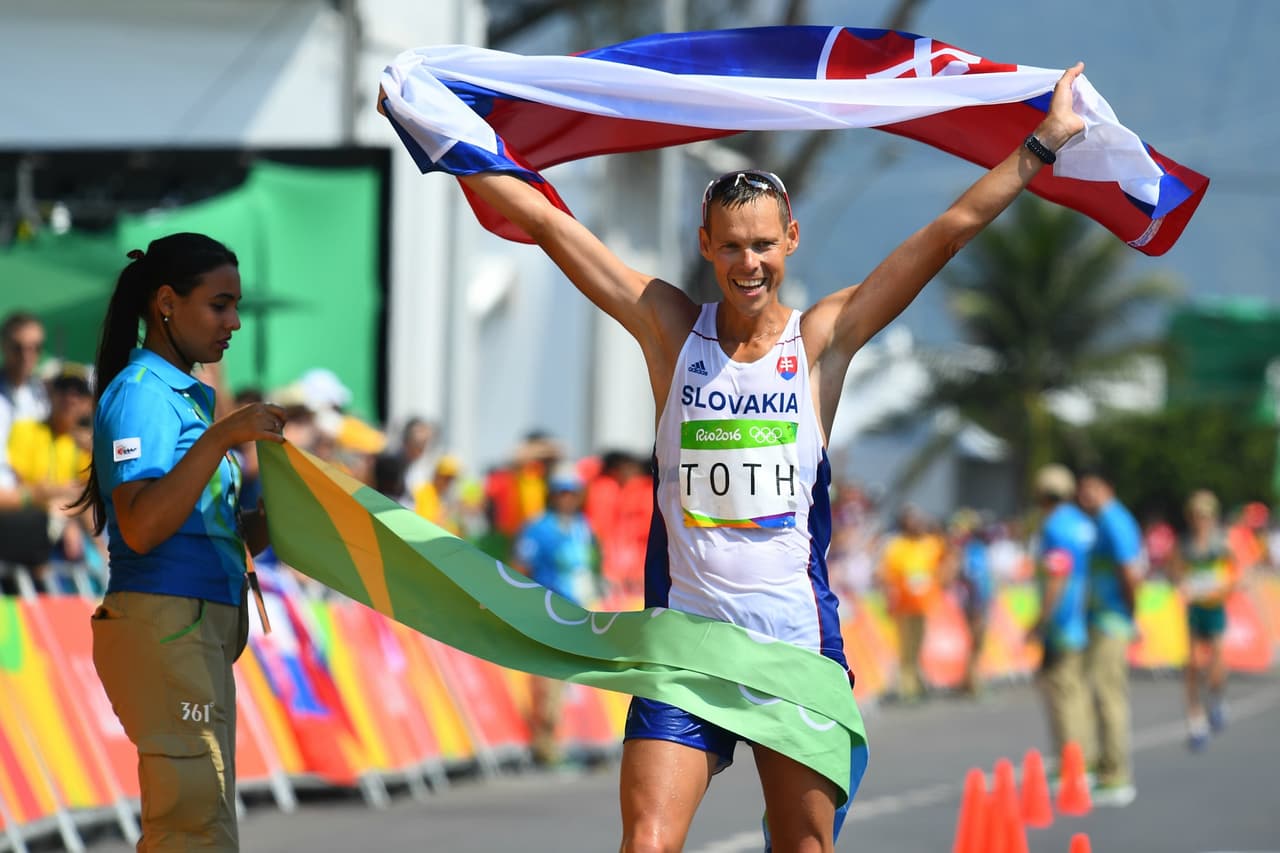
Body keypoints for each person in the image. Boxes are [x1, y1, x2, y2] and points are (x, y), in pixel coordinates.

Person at [419, 60, 1087, 851]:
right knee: (646, 843)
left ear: (791, 239)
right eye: (732, 247)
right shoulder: (668, 327)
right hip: (686, 646)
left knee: (802, 847)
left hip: (792, 645)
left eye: (765, 245)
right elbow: (554, 228)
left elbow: (945, 234)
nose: (750, 265)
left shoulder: (821, 341)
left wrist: (1042, 143)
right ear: (706, 244)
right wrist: (436, 126)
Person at [71, 233, 286, 852]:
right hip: (164, 625)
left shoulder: (179, 395)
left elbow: (210, 532)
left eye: (235, 305)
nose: (235, 322)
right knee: (191, 823)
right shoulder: (141, 393)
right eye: (219, 304)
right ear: (166, 302)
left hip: (197, 628)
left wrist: (284, 515)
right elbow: (139, 525)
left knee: (205, 823)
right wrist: (223, 439)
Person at [513, 466, 602, 767]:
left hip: (577, 614)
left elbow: (587, 569)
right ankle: (545, 745)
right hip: (548, 613)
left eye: (573, 493)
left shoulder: (582, 527)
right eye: (563, 492)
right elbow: (521, 567)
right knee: (546, 683)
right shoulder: (538, 528)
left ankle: (558, 741)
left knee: (566, 684)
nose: (568, 499)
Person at [1076, 469, 1143, 806]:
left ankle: (1116, 774)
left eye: (1093, 489)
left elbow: (1129, 572)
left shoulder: (1114, 521)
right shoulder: (1102, 521)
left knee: (1108, 695)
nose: (1086, 497)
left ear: (1108, 488)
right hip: (1100, 618)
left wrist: (1131, 615)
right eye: (1082, 491)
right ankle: (1104, 768)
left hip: (1112, 620)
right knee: (1097, 693)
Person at [1029, 464, 1096, 779]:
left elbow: (1057, 577)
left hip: (1062, 623)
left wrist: (1041, 620)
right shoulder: (1083, 523)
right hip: (1083, 617)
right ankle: (1086, 757)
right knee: (1078, 692)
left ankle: (1071, 765)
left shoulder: (1054, 527)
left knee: (1060, 693)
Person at [1170, 489, 1236, 751]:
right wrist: (1180, 585)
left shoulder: (1222, 543)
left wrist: (1225, 586)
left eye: (1206, 516)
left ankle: (1217, 699)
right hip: (1195, 609)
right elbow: (1173, 572)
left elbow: (1239, 572)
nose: (1201, 521)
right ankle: (1195, 719)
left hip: (1214, 607)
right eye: (1197, 516)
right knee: (1194, 664)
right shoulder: (1183, 544)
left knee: (1218, 662)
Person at [879, 504, 952, 702]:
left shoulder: (930, 543)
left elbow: (946, 559)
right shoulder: (896, 546)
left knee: (917, 645)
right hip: (903, 605)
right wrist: (889, 596)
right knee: (905, 646)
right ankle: (907, 686)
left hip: (923, 604)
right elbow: (886, 574)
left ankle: (915, 682)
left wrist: (942, 579)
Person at [0, 311, 50, 422]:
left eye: (35, 348)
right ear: (4, 346)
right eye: (18, 347)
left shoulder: (45, 393)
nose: (26, 356)